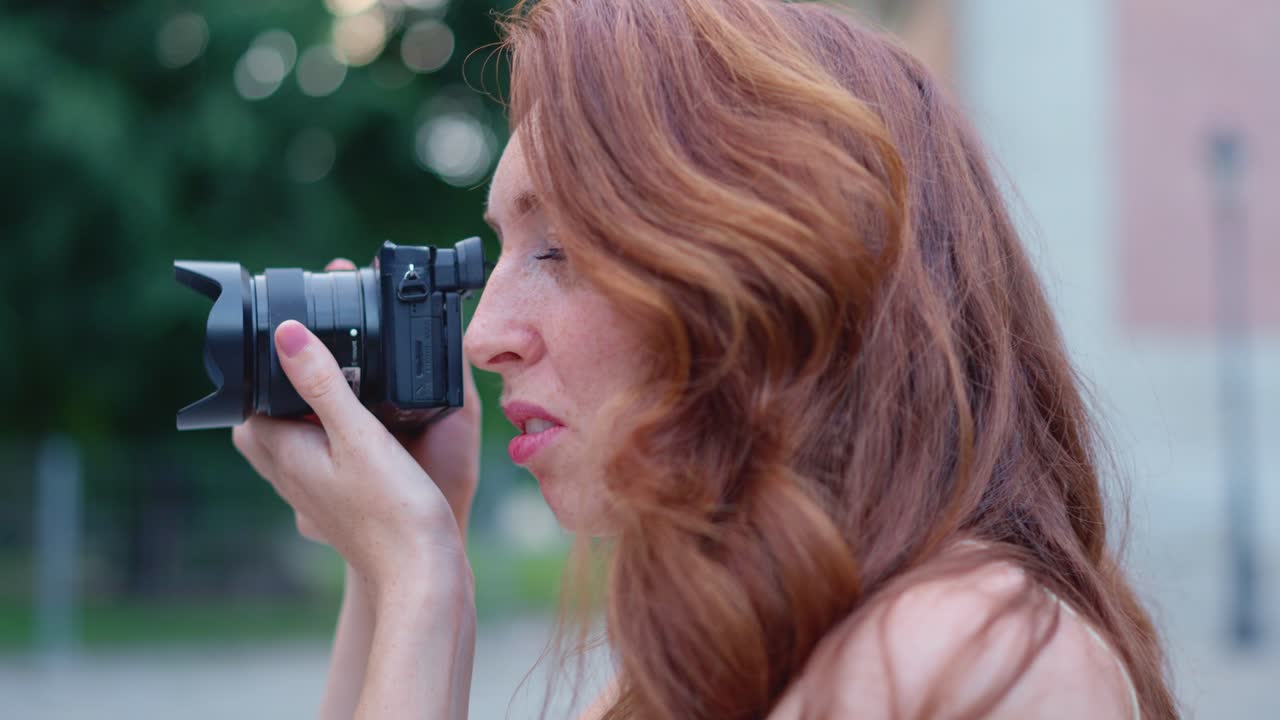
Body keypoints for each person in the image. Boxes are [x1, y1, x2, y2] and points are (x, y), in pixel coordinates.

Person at [231, 0, 1178, 718]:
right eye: (504, 252)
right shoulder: (741, 652)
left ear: (769, 269)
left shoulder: (966, 655)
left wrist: (421, 582)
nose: (484, 335)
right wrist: (396, 561)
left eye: (559, 248)